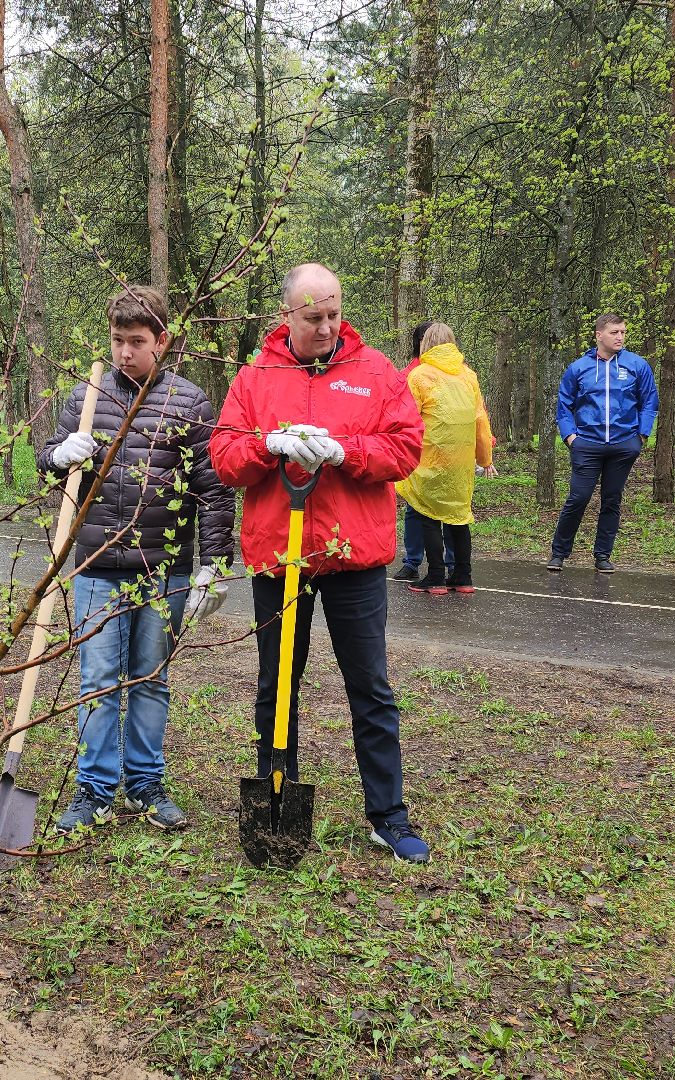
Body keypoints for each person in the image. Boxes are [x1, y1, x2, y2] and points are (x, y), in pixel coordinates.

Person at [207, 262, 432, 864]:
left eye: (334, 315)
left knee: (371, 687)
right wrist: (267, 444)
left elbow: (407, 446)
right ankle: (275, 797)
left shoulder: (376, 371)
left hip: (353, 557)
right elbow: (225, 456)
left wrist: (346, 450)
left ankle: (388, 814)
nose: (328, 328)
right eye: (314, 318)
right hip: (280, 556)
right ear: (287, 316)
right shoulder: (256, 376)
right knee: (277, 684)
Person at [37, 284, 235, 833]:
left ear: (162, 341)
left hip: (162, 569)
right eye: (117, 340)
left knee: (149, 678)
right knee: (98, 679)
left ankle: (144, 784)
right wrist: (59, 455)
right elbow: (45, 464)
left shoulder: (189, 402)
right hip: (96, 566)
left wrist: (214, 563)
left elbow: (213, 488)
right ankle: (95, 789)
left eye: (137, 341)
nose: (125, 352)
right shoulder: (85, 398)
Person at [547, 312, 657, 573]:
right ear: (599, 335)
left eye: (623, 332)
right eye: (614, 332)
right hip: (587, 444)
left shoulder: (637, 365)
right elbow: (564, 406)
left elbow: (649, 401)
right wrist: (571, 437)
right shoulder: (578, 368)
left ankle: (602, 556)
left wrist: (640, 436)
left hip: (623, 445)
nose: (620, 337)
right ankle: (558, 553)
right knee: (578, 498)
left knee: (611, 500)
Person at [396, 323, 494, 595]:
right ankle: (463, 575)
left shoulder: (419, 376)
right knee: (459, 516)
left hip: (430, 456)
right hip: (461, 461)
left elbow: (406, 419)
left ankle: (436, 576)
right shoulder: (468, 376)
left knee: (428, 514)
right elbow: (480, 418)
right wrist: (485, 458)